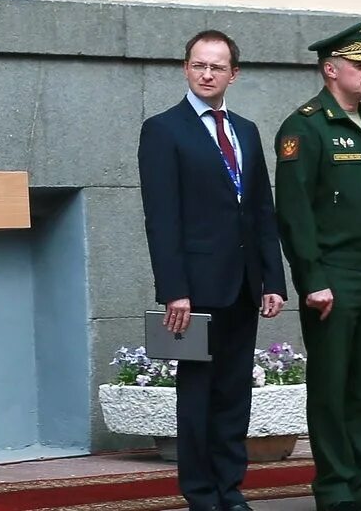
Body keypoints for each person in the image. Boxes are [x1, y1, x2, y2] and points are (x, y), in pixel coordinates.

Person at [139, 29, 287, 511]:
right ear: (186, 68)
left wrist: (272, 279)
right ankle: (202, 494)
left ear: (233, 74)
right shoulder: (164, 130)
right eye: (199, 65)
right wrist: (174, 289)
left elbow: (261, 210)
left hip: (243, 285)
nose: (207, 74)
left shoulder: (246, 131)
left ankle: (230, 488)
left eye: (217, 67)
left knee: (234, 395)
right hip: (195, 291)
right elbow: (162, 218)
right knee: (198, 395)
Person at [271, 22, 361, 511]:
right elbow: (294, 212)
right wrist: (312, 278)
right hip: (333, 274)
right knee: (332, 386)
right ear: (331, 70)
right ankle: (334, 489)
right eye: (360, 64)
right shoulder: (305, 127)